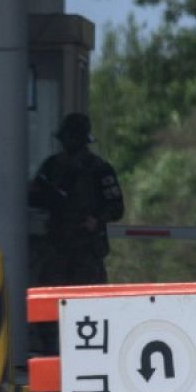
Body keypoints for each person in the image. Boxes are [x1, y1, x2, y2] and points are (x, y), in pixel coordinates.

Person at [28, 112, 125, 287]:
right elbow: (34, 198)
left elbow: (116, 207)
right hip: (57, 245)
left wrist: (96, 220)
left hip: (87, 248)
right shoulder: (51, 166)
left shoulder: (99, 169)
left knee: (88, 301)